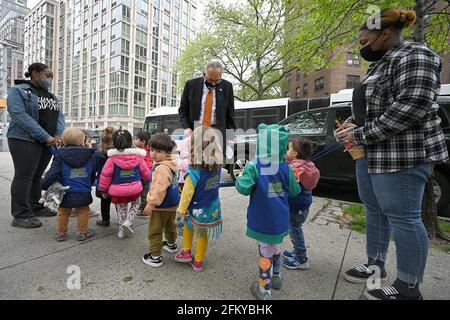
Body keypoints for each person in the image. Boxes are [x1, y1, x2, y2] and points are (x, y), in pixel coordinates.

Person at [335, 8, 449, 300]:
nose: (361, 47)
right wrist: (353, 123)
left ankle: (409, 287)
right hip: (372, 153)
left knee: (405, 218)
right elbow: (375, 105)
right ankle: (376, 266)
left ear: (385, 34)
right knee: (374, 209)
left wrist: (359, 134)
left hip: (404, 154)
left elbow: (411, 106)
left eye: (364, 41)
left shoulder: (415, 55)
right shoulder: (380, 63)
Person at [235, 124, 301, 300]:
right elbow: (295, 191)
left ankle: (264, 289)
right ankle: (277, 276)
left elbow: (243, 188)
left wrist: (241, 177)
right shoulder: (286, 167)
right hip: (280, 219)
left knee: (265, 252)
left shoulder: (254, 166)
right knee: (276, 247)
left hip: (262, 220)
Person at [7, 63, 65, 228]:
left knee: (37, 175)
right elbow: (19, 115)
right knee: (24, 175)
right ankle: (20, 214)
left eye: (51, 76)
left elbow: (59, 116)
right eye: (47, 75)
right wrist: (45, 136)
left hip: (47, 141)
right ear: (35, 73)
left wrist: (58, 135)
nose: (50, 79)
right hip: (24, 139)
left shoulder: (52, 97)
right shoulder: (18, 91)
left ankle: (35, 206)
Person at [174, 126, 223, 272]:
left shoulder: (194, 170)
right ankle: (198, 261)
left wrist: (181, 210)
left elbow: (187, 193)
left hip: (195, 206)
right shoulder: (217, 166)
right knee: (202, 233)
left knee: (189, 225)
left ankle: (186, 251)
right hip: (212, 204)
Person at [41, 127, 96, 241]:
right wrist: (89, 184)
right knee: (83, 211)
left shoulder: (60, 155)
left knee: (63, 212)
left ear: (64, 141)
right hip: (83, 191)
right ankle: (82, 233)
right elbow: (92, 172)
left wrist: (44, 184)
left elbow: (53, 173)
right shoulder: (91, 155)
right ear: (82, 141)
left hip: (65, 191)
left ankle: (61, 233)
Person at [98, 130, 151, 238]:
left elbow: (105, 176)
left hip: (118, 191)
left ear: (114, 143)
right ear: (130, 141)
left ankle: (121, 230)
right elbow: (146, 174)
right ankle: (129, 221)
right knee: (137, 203)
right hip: (135, 189)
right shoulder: (138, 157)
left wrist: (103, 189)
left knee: (121, 208)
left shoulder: (111, 159)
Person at [178, 60, 236, 155]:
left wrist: (230, 136)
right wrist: (187, 128)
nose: (213, 84)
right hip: (196, 131)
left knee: (215, 164)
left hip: (218, 133)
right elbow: (183, 110)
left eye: (217, 80)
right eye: (211, 80)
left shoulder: (227, 87)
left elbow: (230, 114)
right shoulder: (191, 85)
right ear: (205, 74)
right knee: (196, 162)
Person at [142, 133, 180, 268]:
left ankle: (155, 256)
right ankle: (171, 244)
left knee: (155, 230)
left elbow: (159, 189)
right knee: (170, 225)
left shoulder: (161, 168)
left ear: (167, 152)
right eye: (152, 150)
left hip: (160, 205)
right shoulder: (171, 163)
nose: (153, 154)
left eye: (159, 151)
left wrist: (151, 204)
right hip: (172, 204)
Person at [94, 127, 115, 227]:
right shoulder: (117, 154)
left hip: (103, 182)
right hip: (116, 182)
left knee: (104, 202)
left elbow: (95, 168)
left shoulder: (98, 154)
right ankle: (123, 219)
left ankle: (105, 220)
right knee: (119, 202)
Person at [133, 131, 153, 218]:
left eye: (136, 139)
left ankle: (144, 210)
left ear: (143, 142)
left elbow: (146, 164)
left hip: (144, 175)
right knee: (144, 192)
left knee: (144, 192)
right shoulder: (149, 150)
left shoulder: (142, 152)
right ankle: (142, 206)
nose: (134, 140)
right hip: (147, 174)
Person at [176, 129, 192, 235]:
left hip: (182, 183)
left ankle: (182, 225)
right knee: (186, 204)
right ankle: (183, 226)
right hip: (184, 183)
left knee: (183, 204)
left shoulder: (182, 160)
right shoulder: (189, 160)